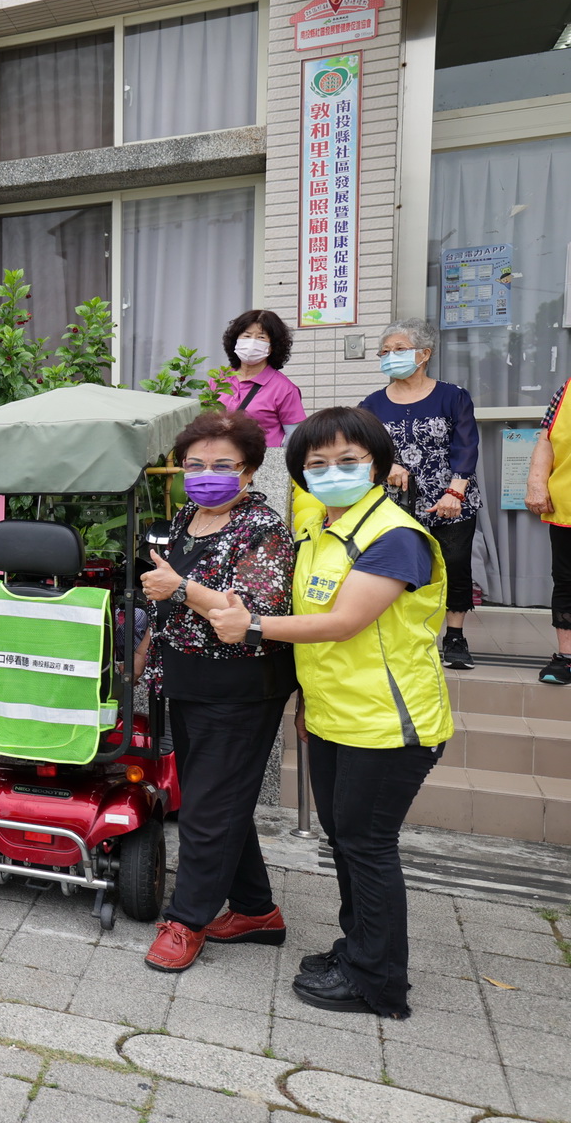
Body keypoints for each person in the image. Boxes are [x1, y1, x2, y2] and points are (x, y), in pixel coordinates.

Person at [211, 406, 452, 1019]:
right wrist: (304, 704)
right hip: (335, 717)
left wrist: (252, 625)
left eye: (348, 461)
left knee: (367, 846)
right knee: (345, 843)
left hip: (389, 725)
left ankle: (378, 983)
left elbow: (344, 623)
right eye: (316, 464)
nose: (332, 472)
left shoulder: (394, 535)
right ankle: (357, 952)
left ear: (377, 465)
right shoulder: (320, 533)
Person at [136, 412, 298, 972]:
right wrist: (146, 645)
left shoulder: (263, 529)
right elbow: (162, 596)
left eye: (222, 465)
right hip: (187, 678)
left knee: (206, 806)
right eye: (195, 464)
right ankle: (255, 910)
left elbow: (258, 612)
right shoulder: (186, 516)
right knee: (218, 799)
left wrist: (183, 589)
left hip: (242, 686)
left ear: (249, 470)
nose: (207, 475)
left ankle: (187, 920)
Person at [360, 318, 481, 670]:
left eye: (399, 349)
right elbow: (360, 447)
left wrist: (455, 493)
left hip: (449, 498)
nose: (390, 356)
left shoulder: (453, 396)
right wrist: (385, 466)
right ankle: (403, 634)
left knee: (455, 566)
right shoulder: (371, 404)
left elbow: (466, 445)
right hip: (394, 503)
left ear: (423, 354)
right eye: (385, 352)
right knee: (399, 567)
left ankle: (454, 637)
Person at [526, 381, 571, 683]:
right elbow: (546, 439)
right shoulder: (566, 390)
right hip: (568, 503)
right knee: (567, 581)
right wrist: (536, 481)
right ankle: (567, 658)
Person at [218, 309, 306, 446]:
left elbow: (295, 438)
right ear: (235, 341)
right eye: (246, 336)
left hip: (263, 464)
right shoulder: (220, 379)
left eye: (261, 337)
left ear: (272, 347)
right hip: (222, 463)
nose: (252, 343)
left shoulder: (284, 389)